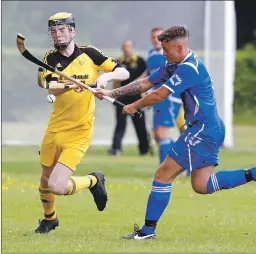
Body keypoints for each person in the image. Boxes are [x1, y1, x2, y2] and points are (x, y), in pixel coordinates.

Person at [95, 25, 256, 240]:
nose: (163, 53)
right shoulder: (173, 64)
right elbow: (145, 83)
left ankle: (147, 231)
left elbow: (158, 95)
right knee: (202, 185)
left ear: (179, 47)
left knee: (162, 175)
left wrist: (134, 106)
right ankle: (255, 173)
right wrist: (111, 92)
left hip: (202, 130)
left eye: (165, 49)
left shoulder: (189, 68)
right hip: (209, 129)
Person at [35, 12, 129, 234]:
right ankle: (50, 219)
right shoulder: (49, 59)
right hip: (55, 128)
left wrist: (104, 78)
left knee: (56, 186)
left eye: (62, 30)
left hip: (79, 131)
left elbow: (123, 71)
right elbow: (49, 87)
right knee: (44, 181)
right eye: (54, 32)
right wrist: (71, 85)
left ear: (72, 31)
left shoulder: (90, 53)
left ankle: (93, 181)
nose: (58, 36)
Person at [145, 27, 186, 165]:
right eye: (154, 37)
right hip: (156, 97)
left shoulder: (171, 54)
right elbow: (149, 74)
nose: (156, 40)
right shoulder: (151, 54)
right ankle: (180, 163)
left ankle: (169, 168)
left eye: (159, 37)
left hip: (169, 97)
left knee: (163, 134)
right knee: (157, 135)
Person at [108, 40, 150, 156]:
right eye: (125, 47)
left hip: (137, 97)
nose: (127, 49)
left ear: (133, 47)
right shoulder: (119, 62)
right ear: (122, 48)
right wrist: (114, 95)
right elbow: (116, 81)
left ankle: (144, 149)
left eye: (129, 47)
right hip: (122, 98)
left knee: (140, 124)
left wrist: (145, 96)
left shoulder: (140, 61)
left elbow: (146, 78)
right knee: (120, 125)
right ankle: (116, 149)